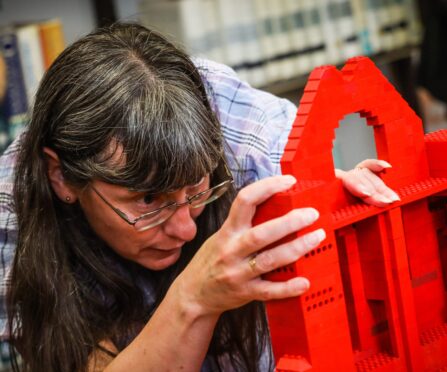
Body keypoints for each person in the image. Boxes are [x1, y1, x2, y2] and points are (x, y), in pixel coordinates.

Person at [0, 23, 399, 372]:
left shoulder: (226, 114)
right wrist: (193, 298)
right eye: (148, 200)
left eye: (196, 191)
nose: (186, 229)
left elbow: (305, 173)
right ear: (62, 178)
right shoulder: (10, 213)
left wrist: (332, 200)